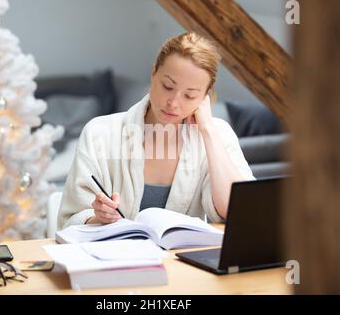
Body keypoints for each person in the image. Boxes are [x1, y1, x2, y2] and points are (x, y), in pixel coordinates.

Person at [57, 32, 254, 229]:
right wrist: (97, 217)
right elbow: (71, 217)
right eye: (167, 86)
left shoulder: (218, 134)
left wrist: (209, 132)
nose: (173, 103)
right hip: (112, 257)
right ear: (153, 74)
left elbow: (239, 211)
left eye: (190, 95)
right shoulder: (99, 133)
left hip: (178, 259)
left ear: (204, 97)